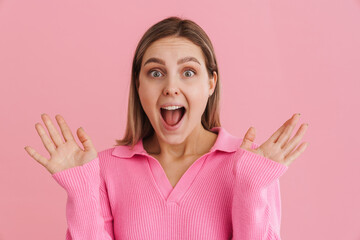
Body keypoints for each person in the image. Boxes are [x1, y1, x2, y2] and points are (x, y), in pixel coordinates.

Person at [24, 16, 309, 240]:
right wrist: (81, 189)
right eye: (156, 73)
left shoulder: (251, 166)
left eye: (188, 72)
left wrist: (251, 188)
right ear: (139, 85)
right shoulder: (102, 169)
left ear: (211, 83)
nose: (171, 87)